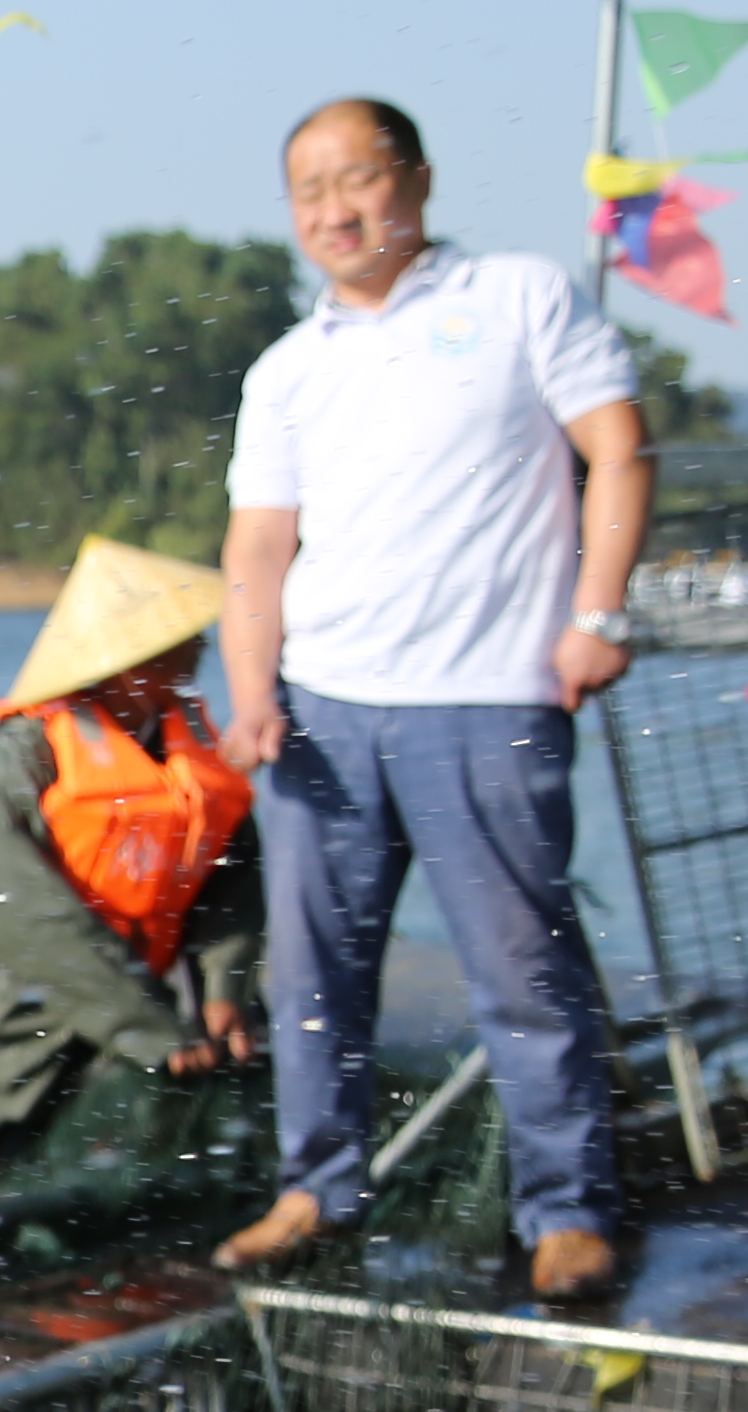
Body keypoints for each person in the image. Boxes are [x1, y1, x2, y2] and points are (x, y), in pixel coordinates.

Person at [211, 96, 652, 1305]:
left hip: (489, 698)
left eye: (357, 180)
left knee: (522, 969)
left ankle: (567, 1209)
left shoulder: (516, 298)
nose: (335, 211)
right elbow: (257, 553)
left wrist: (596, 617)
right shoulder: (291, 369)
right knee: (311, 978)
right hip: (323, 711)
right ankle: (317, 1188)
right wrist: (252, 690)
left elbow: (618, 447)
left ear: (416, 180)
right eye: (309, 192)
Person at [0, 538, 267, 1203]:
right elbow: (28, 912)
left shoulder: (191, 750)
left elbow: (233, 882)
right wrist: (147, 1025)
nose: (201, 648)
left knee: (115, 1205)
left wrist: (223, 992)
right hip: (2, 1027)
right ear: (130, 662)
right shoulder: (25, 753)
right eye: (181, 638)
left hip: (132, 1026)